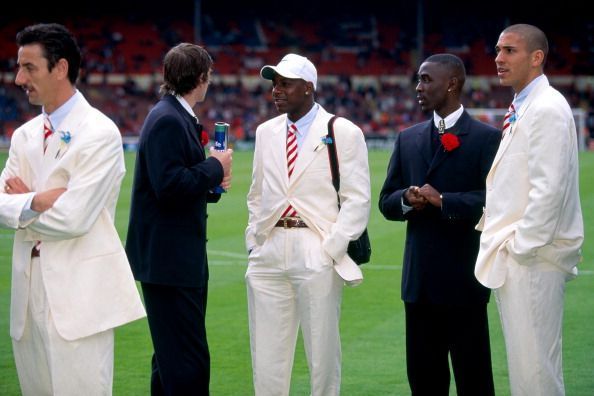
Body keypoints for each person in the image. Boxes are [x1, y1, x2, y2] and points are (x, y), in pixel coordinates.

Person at [0, 23, 145, 395]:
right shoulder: (24, 135)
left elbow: (73, 218)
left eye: (29, 67)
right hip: (27, 301)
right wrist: (36, 200)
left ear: (60, 68)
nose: (18, 78)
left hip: (79, 302)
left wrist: (19, 207)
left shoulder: (100, 133)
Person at [245, 53, 370, 396]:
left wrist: (332, 247)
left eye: (286, 83)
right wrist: (254, 241)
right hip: (269, 249)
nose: (276, 91)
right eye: (274, 83)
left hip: (316, 248)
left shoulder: (342, 130)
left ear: (308, 87)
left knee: (322, 353)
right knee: (267, 355)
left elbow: (357, 199)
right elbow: (257, 194)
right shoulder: (265, 132)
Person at [378, 53, 500, 395]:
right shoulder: (408, 138)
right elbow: (386, 201)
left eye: (426, 79)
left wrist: (444, 200)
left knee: (474, 380)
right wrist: (406, 198)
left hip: (465, 282)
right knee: (424, 382)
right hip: (419, 284)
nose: (418, 87)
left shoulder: (486, 138)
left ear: (452, 83)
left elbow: (496, 202)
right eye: (418, 79)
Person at [475, 24, 584, 396]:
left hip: (532, 258)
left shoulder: (547, 108)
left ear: (537, 58)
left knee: (536, 373)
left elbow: (548, 189)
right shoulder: (525, 105)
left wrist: (521, 247)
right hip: (523, 257)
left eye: (509, 51)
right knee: (526, 369)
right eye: (497, 49)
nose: (498, 59)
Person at [125, 42, 232, 395]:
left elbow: (177, 183)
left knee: (171, 359)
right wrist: (214, 167)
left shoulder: (173, 114)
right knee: (187, 361)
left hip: (172, 261)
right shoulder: (169, 119)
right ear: (201, 77)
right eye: (209, 75)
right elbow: (169, 186)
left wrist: (211, 184)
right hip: (170, 263)